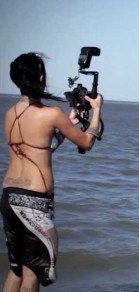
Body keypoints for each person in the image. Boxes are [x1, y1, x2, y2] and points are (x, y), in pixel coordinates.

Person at [2, 52, 103, 291]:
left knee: (16, 271)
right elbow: (87, 142)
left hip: (9, 196)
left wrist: (68, 122)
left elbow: (41, 148)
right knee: (32, 276)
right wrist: (96, 110)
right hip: (34, 201)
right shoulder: (51, 114)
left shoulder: (10, 114)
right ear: (40, 78)